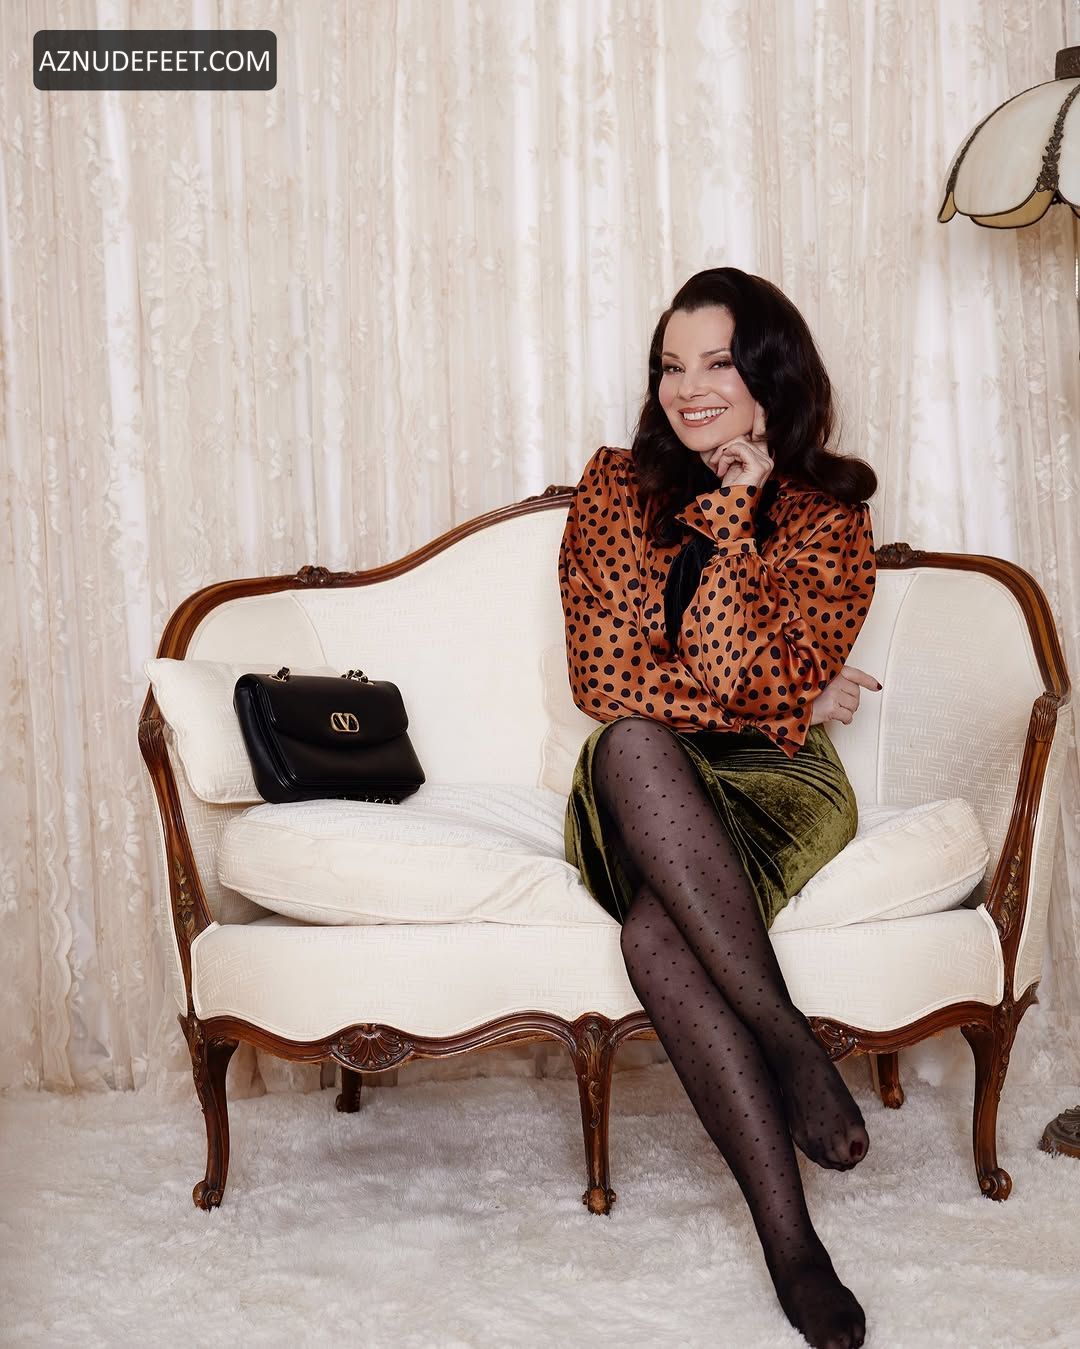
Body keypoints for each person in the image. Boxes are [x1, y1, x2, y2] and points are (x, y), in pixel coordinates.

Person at [559, 267, 881, 1349]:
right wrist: (791, 697)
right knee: (633, 741)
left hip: (778, 782)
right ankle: (791, 1042)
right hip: (640, 787)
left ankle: (793, 1250)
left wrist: (739, 520)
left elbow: (752, 665)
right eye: (670, 365)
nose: (687, 388)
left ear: (768, 376)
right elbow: (604, 680)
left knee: (655, 938)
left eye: (716, 363)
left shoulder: (830, 514)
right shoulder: (614, 487)